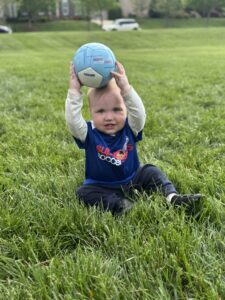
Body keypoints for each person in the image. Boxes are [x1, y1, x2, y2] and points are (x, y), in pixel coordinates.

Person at [65, 61, 202, 215]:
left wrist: (126, 89)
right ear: (90, 112)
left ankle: (172, 198)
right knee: (83, 193)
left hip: (133, 178)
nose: (109, 117)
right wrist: (74, 92)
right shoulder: (88, 132)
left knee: (151, 171)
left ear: (126, 108)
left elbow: (139, 114)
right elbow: (73, 121)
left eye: (117, 109)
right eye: (101, 111)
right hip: (101, 184)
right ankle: (119, 204)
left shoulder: (129, 127)